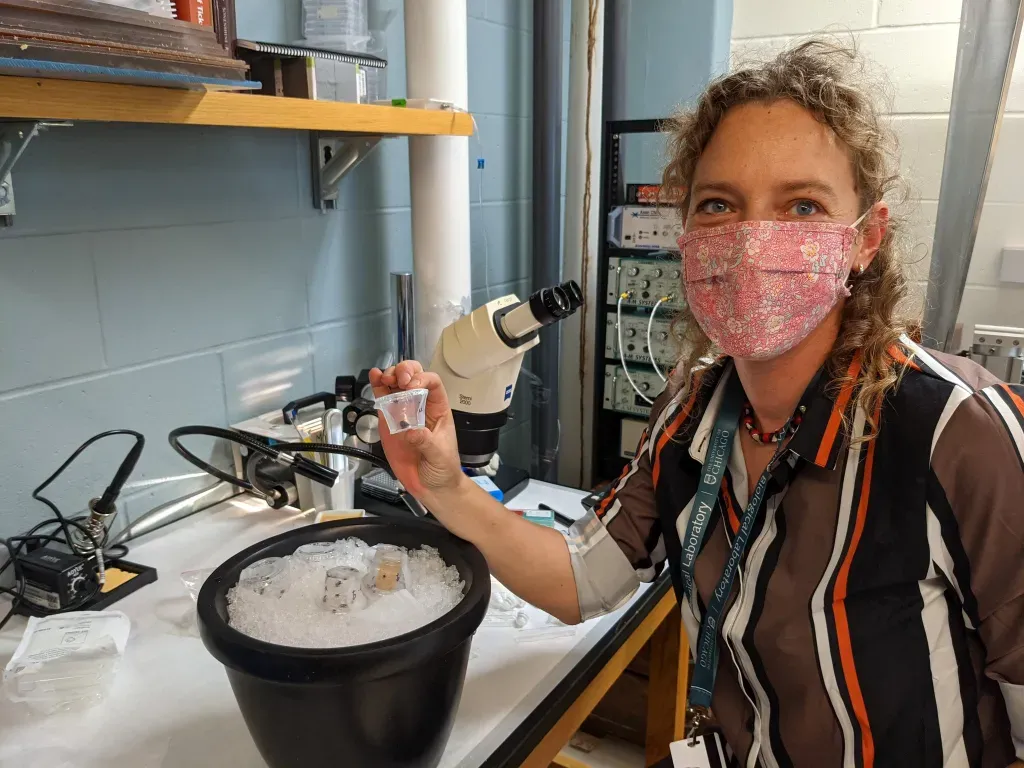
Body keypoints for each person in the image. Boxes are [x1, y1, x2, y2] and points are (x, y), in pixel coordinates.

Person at [371, 40, 1024, 768]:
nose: (751, 243)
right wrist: (445, 484)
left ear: (864, 241)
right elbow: (580, 579)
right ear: (684, 237)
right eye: (719, 205)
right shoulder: (692, 416)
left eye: (801, 205)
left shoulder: (955, 432)